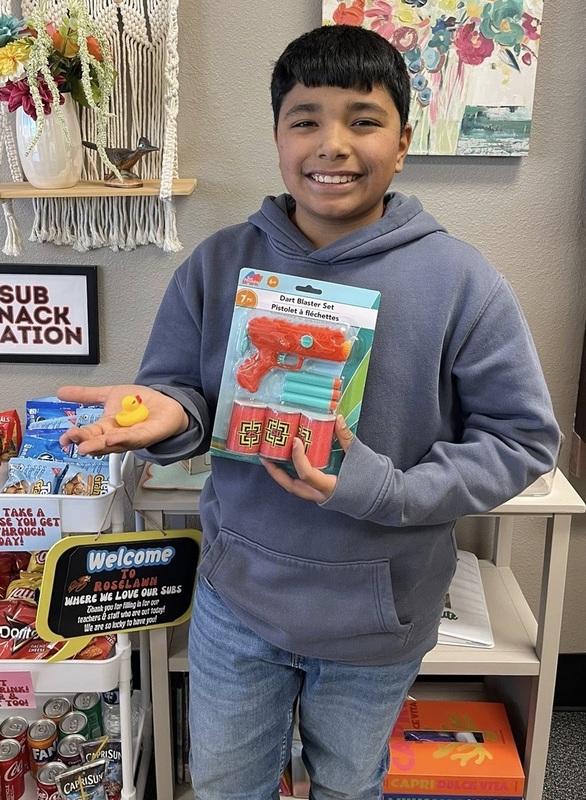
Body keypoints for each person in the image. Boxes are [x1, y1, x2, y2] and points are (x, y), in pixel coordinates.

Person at [58, 24, 560, 800]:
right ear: (277, 138)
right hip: (239, 601)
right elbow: (185, 397)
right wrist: (170, 416)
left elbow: (523, 442)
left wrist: (383, 488)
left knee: (351, 784)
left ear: (402, 144)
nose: (333, 143)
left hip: (378, 616)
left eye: (364, 120)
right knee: (225, 784)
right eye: (306, 119)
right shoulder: (220, 262)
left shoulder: (463, 281)